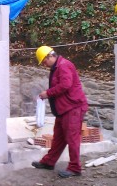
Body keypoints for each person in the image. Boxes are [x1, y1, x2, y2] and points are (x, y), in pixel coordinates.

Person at [31, 46, 89, 178]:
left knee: (72, 138)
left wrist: (48, 93)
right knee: (58, 138)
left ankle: (75, 168)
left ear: (50, 56)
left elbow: (65, 85)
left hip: (73, 108)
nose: (44, 65)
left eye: (44, 62)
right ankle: (49, 162)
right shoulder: (57, 67)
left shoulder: (63, 66)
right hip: (64, 109)